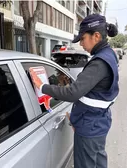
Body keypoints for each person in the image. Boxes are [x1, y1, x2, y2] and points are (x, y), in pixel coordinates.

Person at [30, 14, 119, 168]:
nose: (81, 44)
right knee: (98, 163)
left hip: (90, 127)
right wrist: (77, 116)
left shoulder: (100, 62)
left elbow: (72, 93)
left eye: (83, 39)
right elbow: (94, 95)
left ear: (96, 36)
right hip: (97, 122)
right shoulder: (108, 55)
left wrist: (42, 86)